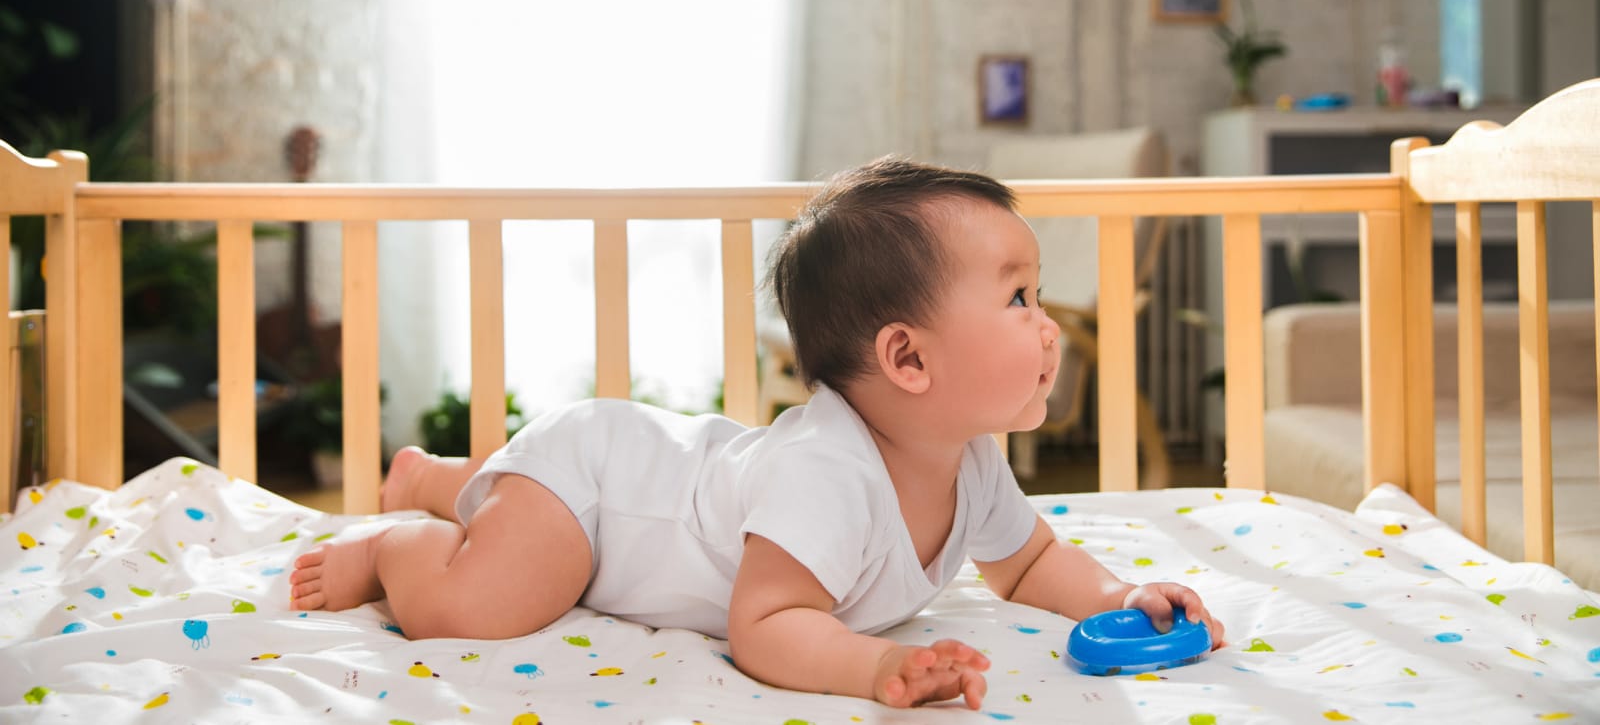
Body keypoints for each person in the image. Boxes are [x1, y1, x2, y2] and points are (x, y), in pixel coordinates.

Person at [288, 157, 1224, 709]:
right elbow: (766, 626)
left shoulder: (968, 460)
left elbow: (1028, 564)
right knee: (482, 601)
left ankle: (449, 477)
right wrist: (879, 666)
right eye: (1019, 295)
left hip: (649, 469)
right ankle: (402, 538)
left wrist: (1124, 592)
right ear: (908, 360)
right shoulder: (828, 472)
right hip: (600, 491)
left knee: (509, 512)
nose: (1047, 319)